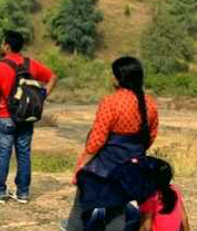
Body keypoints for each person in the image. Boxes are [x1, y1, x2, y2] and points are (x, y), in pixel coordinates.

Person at [63, 56, 159, 231]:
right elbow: (150, 137)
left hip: (103, 168)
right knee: (116, 211)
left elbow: (96, 141)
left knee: (81, 208)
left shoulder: (111, 102)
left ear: (118, 78)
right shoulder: (150, 103)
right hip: (130, 169)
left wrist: (82, 164)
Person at [0, 30, 57, 204]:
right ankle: (23, 193)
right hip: (26, 117)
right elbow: (53, 77)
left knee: (4, 154)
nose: (1, 46)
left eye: (2, 43)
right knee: (24, 153)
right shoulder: (30, 64)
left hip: (5, 116)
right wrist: (42, 95)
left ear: (7, 46)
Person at [139, 158, 190, 231]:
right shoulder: (174, 189)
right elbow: (184, 218)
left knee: (131, 217)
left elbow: (145, 228)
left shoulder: (150, 197)